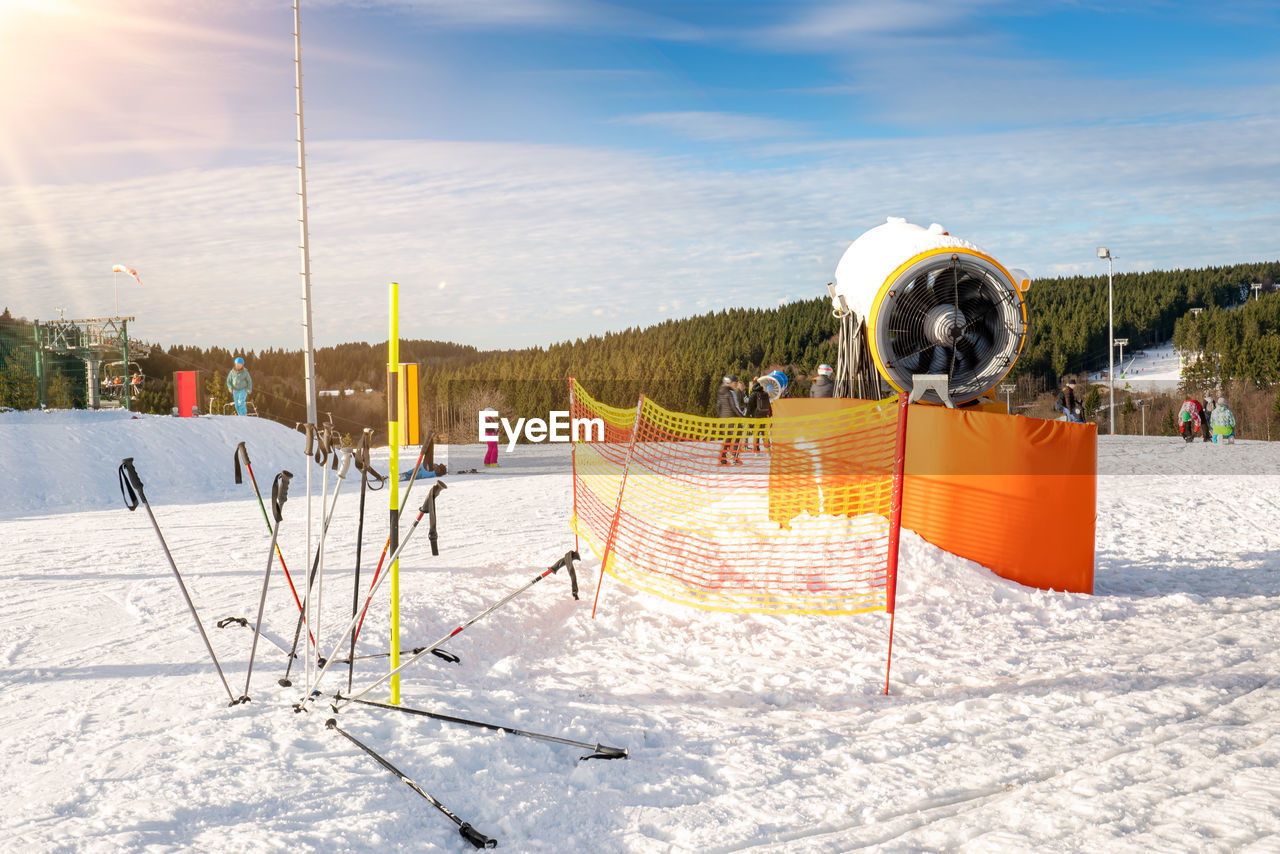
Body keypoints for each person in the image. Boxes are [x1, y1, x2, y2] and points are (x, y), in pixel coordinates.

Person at [716, 374, 746, 465]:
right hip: (733, 419)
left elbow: (718, 407)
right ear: (728, 383)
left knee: (727, 438)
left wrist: (722, 417)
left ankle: (723, 458)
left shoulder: (720, 392)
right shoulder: (731, 392)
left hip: (724, 419)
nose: (736, 385)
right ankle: (735, 458)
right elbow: (735, 407)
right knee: (738, 436)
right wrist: (743, 418)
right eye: (734, 383)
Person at [745, 377, 772, 452]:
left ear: (753, 386)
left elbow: (749, 407)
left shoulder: (753, 394)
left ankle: (756, 449)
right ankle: (767, 448)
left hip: (756, 417)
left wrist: (746, 417)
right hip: (765, 416)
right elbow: (769, 405)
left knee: (756, 434)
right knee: (765, 433)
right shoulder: (765, 394)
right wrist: (769, 414)